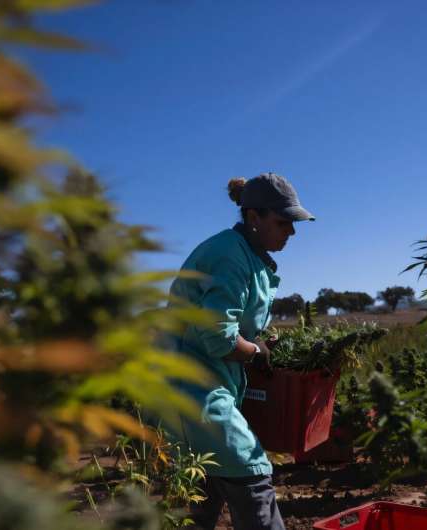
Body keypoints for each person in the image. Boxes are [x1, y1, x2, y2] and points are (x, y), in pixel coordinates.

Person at [166, 172, 315, 530]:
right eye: (283, 223)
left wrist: (260, 342)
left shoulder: (247, 255)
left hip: (205, 393)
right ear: (253, 218)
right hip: (197, 394)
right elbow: (218, 336)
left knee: (201, 501)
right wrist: (255, 352)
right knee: (252, 475)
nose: (291, 233)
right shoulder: (229, 256)